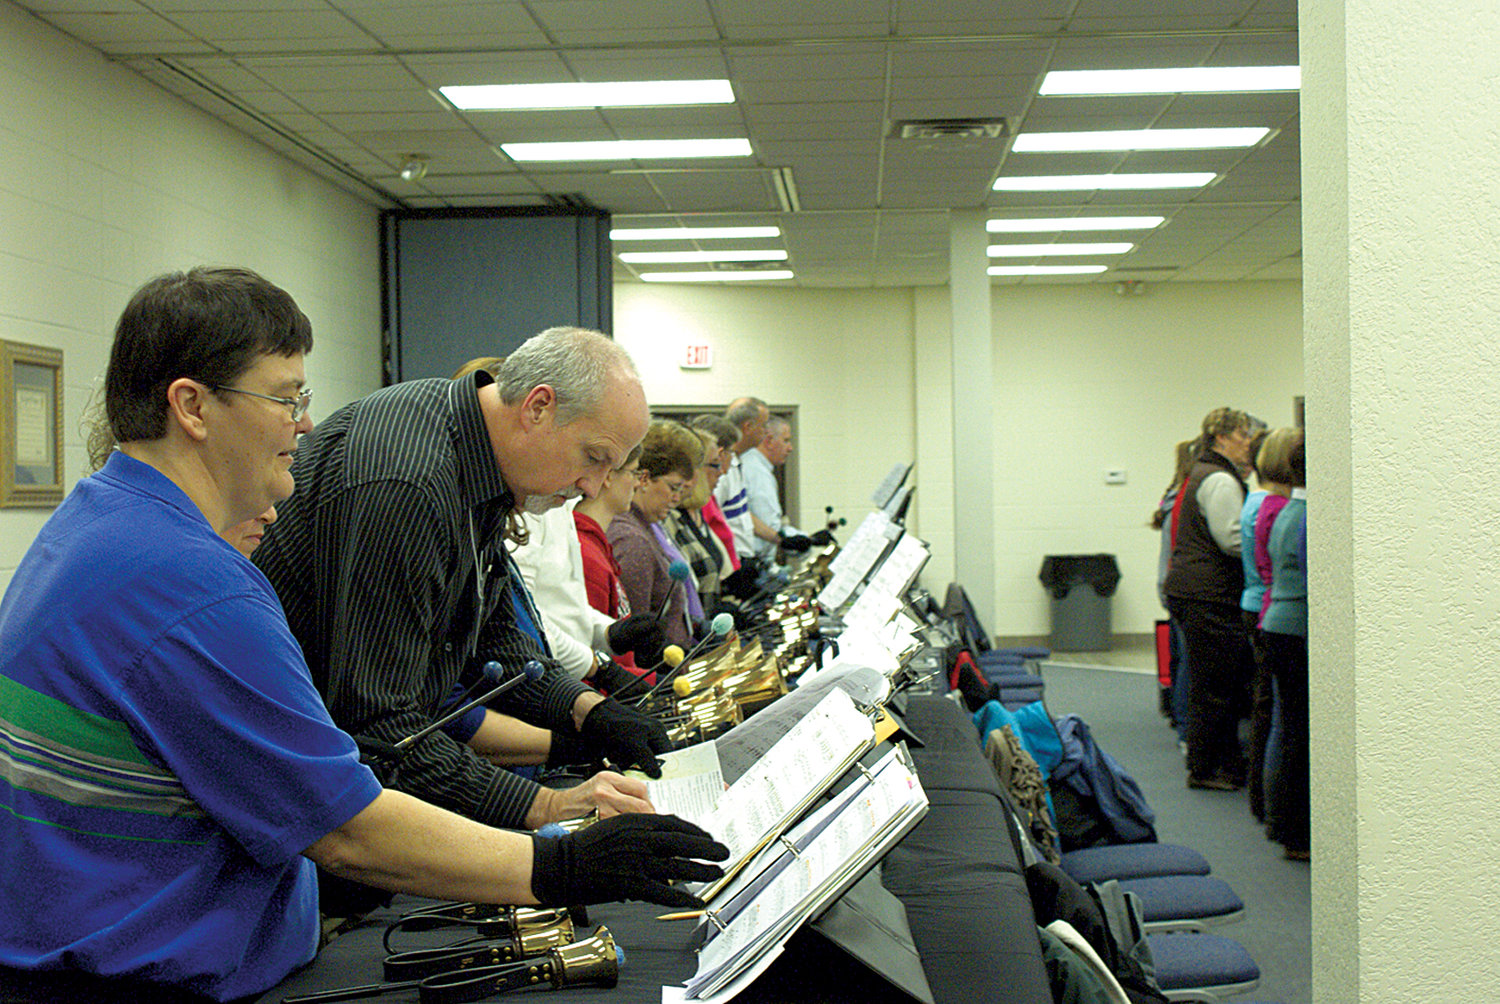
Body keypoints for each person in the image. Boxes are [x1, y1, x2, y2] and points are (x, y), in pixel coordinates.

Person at [0, 268, 726, 1003]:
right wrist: (555, 864)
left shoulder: (98, 520)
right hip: (137, 977)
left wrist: (580, 717)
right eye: (284, 397)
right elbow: (347, 821)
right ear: (191, 406)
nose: (304, 423)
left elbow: (483, 635)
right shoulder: (192, 582)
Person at [252, 326, 678, 838]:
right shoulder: (410, 480)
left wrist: (589, 710)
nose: (591, 485)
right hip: (289, 797)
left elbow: (495, 638)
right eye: (594, 457)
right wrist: (548, 808)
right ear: (538, 407)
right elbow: (380, 725)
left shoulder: (476, 455)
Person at [1162, 406, 1257, 791]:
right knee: (1216, 686)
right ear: (1222, 437)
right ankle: (1208, 768)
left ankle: (1217, 762)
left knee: (1211, 683)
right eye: (1243, 435)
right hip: (1210, 595)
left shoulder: (1202, 472)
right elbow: (1232, 539)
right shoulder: (1220, 480)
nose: (1249, 443)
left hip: (1195, 591)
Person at [1259, 429, 1308, 860]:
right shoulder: (1304, 514)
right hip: (1294, 629)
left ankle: (1283, 823)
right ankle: (1294, 830)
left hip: (1281, 625)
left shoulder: (1290, 509)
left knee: (1287, 728)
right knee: (1295, 733)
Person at [610, 420, 701, 648]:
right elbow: (637, 633)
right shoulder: (632, 539)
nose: (677, 498)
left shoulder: (645, 526)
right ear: (645, 480)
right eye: (673, 487)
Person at [1241, 430, 1289, 822]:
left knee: (1268, 710)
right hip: (1268, 609)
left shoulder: (1263, 504)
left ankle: (1266, 804)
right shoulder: (1272, 508)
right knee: (1275, 715)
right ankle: (1272, 808)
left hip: (1262, 608)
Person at [713, 396, 773, 563]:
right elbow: (710, 519)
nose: (767, 431)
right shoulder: (722, 469)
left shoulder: (737, 461)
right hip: (730, 565)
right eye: (764, 425)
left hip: (742, 560)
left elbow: (742, 514)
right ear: (748, 427)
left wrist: (779, 538)